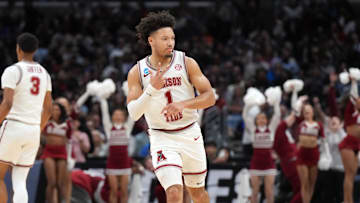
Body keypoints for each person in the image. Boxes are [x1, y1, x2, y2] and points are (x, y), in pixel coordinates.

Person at [127, 11, 215, 203]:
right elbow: (134, 113)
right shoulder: (137, 72)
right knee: (174, 191)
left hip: (189, 133)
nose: (170, 43)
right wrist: (151, 89)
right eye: (164, 38)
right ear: (151, 41)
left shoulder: (187, 63)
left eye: (172, 38)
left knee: (198, 194)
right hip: (161, 136)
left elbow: (210, 97)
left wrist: (183, 104)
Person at [0, 33, 52, 203]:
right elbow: (49, 109)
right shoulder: (44, 73)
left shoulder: (13, 70)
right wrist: (39, 128)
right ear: (36, 50)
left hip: (14, 126)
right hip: (33, 130)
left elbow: (7, 104)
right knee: (20, 181)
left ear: (18, 49)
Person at [242, 94, 281, 203]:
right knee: (255, 191)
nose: (261, 120)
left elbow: (277, 115)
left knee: (269, 191)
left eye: (263, 118)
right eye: (259, 118)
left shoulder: (271, 129)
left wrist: (276, 102)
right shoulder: (253, 130)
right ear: (256, 120)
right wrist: (248, 104)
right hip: (256, 164)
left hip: (269, 164)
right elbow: (245, 116)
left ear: (267, 120)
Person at [291, 92, 328, 203]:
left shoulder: (318, 125)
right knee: (305, 183)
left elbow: (323, 140)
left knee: (312, 183)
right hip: (302, 154)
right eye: (305, 111)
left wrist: (326, 155)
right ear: (303, 113)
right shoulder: (300, 123)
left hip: (314, 154)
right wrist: (299, 100)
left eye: (308, 111)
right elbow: (295, 110)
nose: (307, 113)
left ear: (312, 112)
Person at [100, 97, 134, 203]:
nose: (118, 116)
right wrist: (103, 99)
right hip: (112, 164)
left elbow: (132, 115)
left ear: (124, 117)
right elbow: (104, 114)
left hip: (125, 163)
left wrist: (130, 97)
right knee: (113, 191)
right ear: (112, 117)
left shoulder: (127, 128)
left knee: (124, 191)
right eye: (116, 114)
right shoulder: (109, 128)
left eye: (120, 115)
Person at [41, 102, 72, 203]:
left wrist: (70, 157)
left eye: (57, 109)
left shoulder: (67, 124)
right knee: (52, 182)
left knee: (60, 183)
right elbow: (39, 134)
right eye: (53, 109)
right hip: (49, 152)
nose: (55, 111)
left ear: (61, 111)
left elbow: (69, 141)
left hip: (62, 153)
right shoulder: (46, 122)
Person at [339, 77, 360, 203]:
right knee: (350, 174)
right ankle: (348, 201)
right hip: (349, 144)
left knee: (352, 174)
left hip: (358, 145)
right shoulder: (351, 110)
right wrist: (354, 82)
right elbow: (353, 95)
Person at [273, 112, 301, 203]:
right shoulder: (279, 131)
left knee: (301, 190)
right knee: (303, 190)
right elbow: (290, 120)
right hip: (291, 165)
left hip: (293, 163)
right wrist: (296, 110)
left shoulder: (284, 134)